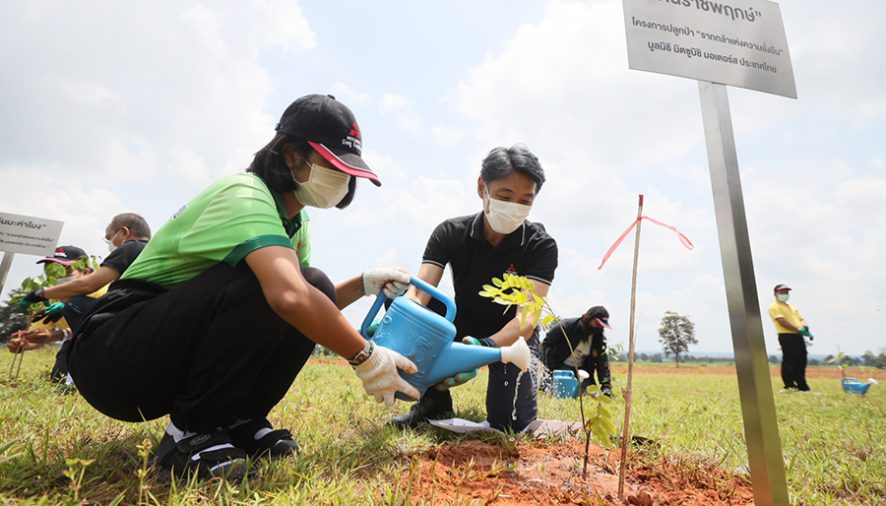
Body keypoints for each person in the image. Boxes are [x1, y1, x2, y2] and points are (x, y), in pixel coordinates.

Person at [66, 94, 419, 481]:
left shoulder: (294, 222)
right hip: (113, 352)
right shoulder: (246, 196)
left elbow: (303, 303)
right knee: (277, 284)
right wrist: (365, 355)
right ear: (292, 156)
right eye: (332, 166)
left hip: (158, 346)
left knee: (311, 281)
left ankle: (237, 421)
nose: (343, 180)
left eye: (347, 171)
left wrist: (364, 284)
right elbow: (286, 297)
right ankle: (190, 435)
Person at [390, 145, 558, 432]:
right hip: (462, 324)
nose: (515, 206)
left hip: (512, 336)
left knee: (511, 424)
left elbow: (526, 320)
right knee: (401, 305)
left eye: (525, 200)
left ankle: (508, 407)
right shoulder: (450, 233)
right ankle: (434, 401)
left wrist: (483, 349)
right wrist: (395, 332)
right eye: (506, 196)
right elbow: (420, 293)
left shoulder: (540, 245)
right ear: (483, 188)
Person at [12, 245, 107, 383]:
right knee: (60, 380)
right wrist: (23, 343)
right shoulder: (50, 297)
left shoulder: (104, 291)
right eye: (50, 270)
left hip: (108, 345)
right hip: (75, 344)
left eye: (64, 270)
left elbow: (103, 330)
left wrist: (58, 334)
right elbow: (40, 335)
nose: (56, 276)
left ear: (86, 272)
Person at [541, 306, 612, 397]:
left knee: (591, 394)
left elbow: (602, 364)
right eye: (597, 324)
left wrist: (606, 388)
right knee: (563, 392)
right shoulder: (567, 326)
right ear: (589, 319)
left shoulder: (599, 340)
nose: (599, 328)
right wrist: (552, 370)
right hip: (561, 368)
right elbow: (547, 345)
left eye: (601, 326)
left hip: (582, 371)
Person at [767, 283, 813, 392]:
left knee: (801, 360)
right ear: (775, 293)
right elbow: (782, 321)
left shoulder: (792, 307)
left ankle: (802, 385)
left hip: (798, 336)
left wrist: (805, 327)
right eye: (782, 292)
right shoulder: (774, 307)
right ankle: (789, 385)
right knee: (790, 361)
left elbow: (801, 319)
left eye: (786, 292)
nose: (785, 294)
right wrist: (798, 330)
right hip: (786, 336)